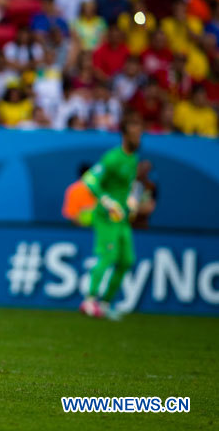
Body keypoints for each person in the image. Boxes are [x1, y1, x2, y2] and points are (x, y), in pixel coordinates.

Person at [79, 113, 144, 321]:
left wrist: (133, 200)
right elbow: (89, 179)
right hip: (107, 217)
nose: (139, 138)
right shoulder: (112, 157)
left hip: (123, 219)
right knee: (108, 257)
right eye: (135, 134)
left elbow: (130, 183)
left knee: (126, 260)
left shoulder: (133, 157)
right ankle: (89, 301)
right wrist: (107, 202)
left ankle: (105, 304)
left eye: (140, 133)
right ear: (125, 135)